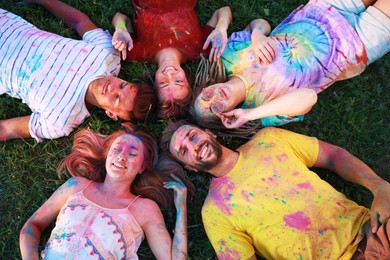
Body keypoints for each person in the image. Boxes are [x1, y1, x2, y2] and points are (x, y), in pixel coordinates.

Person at [161, 120, 390, 259]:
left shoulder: (268, 140)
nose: (194, 146)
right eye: (184, 151)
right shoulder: (214, 212)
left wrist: (379, 187)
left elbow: (332, 156)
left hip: (373, 230)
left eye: (192, 136)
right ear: (190, 167)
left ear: (208, 132)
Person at [191, 0, 390, 136]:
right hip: (356, 43)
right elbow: (309, 97)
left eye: (206, 96)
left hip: (325, 8)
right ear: (225, 115)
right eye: (215, 108)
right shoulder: (264, 112)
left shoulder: (227, 59)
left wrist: (257, 36)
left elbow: (259, 24)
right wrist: (250, 115)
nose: (216, 97)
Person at [20, 123, 191, 259]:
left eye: (132, 154)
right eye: (116, 149)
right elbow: (31, 227)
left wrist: (181, 208)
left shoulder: (145, 209)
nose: (121, 156)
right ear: (107, 154)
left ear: (142, 167)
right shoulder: (76, 186)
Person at [0, 0, 156, 142]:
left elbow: (7, 129)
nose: (112, 88)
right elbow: (79, 22)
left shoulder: (61, 121)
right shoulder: (108, 56)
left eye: (116, 98)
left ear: (111, 114)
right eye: (122, 85)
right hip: (7, 24)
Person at [111, 1, 232, 119]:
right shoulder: (201, 48)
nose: (169, 74)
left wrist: (120, 28)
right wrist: (221, 28)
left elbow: (120, 17)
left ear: (154, 84)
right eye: (178, 81)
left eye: (163, 83)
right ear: (187, 81)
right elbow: (224, 11)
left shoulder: (135, 53)